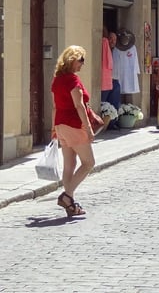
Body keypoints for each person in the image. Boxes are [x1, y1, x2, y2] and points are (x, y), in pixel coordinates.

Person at [51, 45, 96, 217]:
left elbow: (54, 106)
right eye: (81, 60)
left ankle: (70, 204)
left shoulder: (56, 80)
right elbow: (79, 106)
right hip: (74, 125)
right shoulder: (72, 81)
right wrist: (89, 129)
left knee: (69, 164)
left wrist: (54, 128)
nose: (82, 64)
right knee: (89, 162)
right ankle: (67, 196)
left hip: (61, 125)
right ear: (72, 60)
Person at [106, 32, 122, 130]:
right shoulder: (104, 49)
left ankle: (113, 123)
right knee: (105, 102)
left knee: (115, 103)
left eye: (115, 40)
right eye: (111, 39)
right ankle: (104, 124)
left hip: (115, 79)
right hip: (106, 80)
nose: (113, 41)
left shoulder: (117, 51)